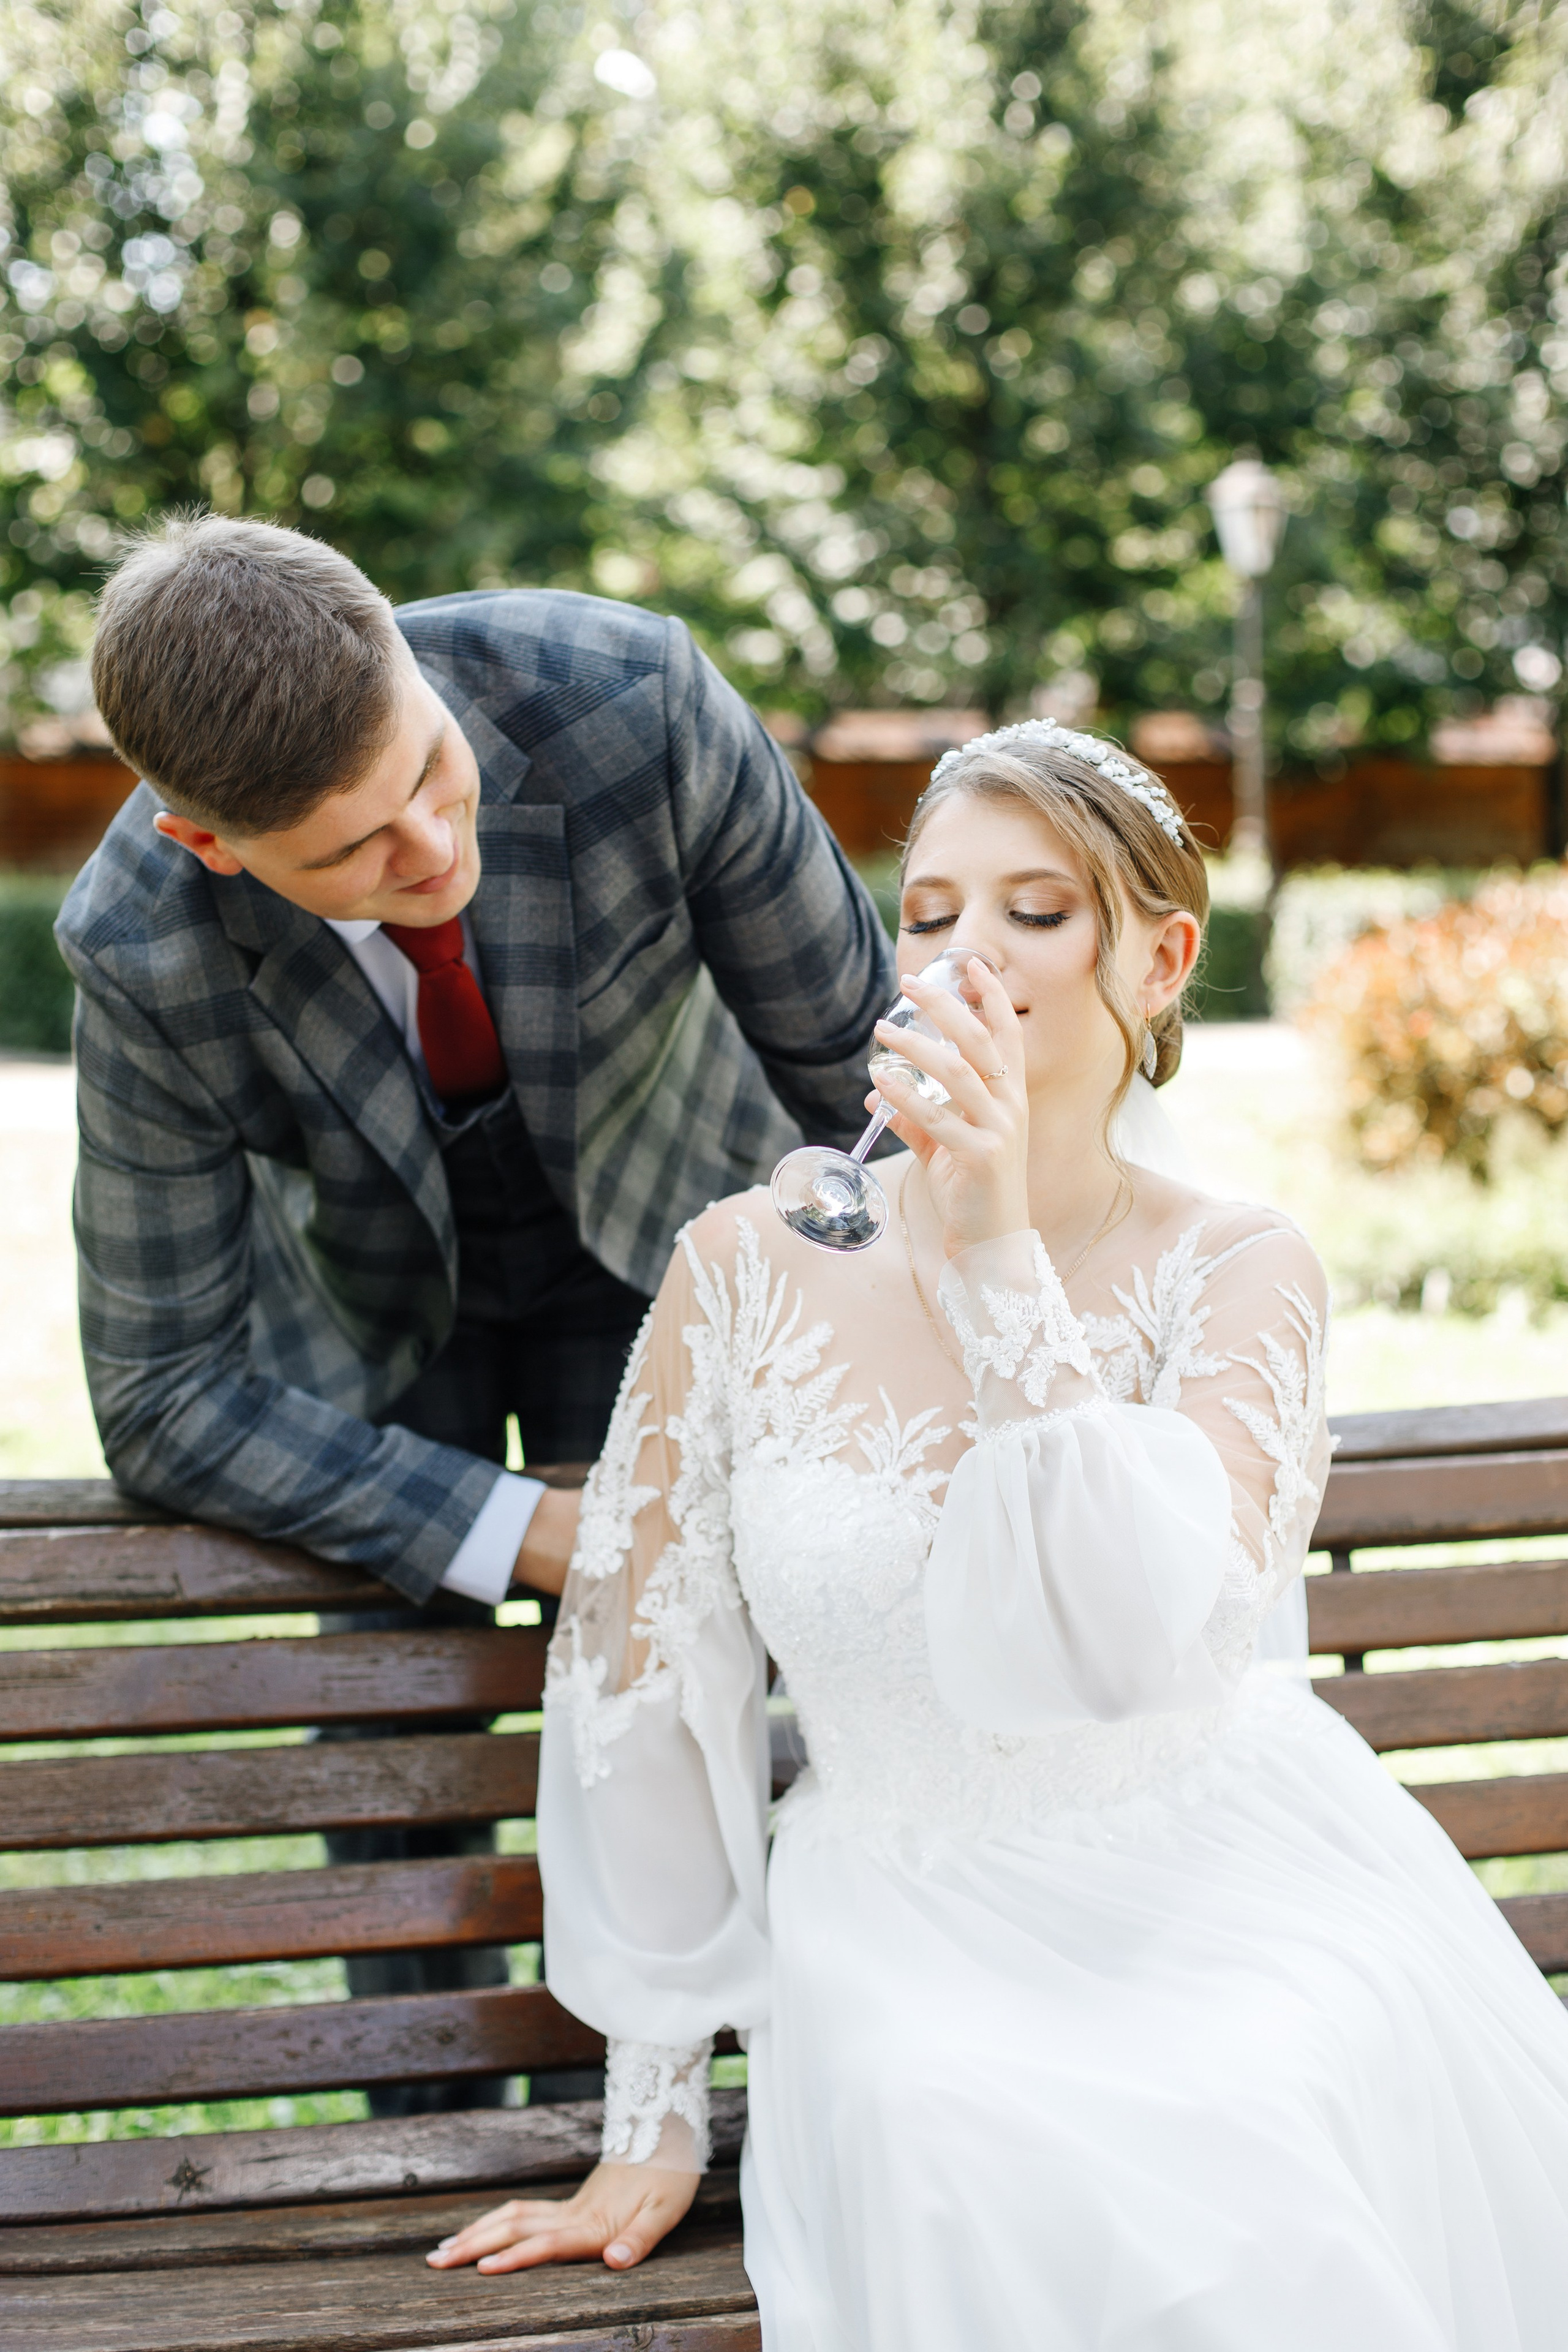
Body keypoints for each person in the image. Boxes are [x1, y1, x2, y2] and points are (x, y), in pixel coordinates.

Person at [429, 722, 1568, 2344]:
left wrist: (996, 1263)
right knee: (969, 2130)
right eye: (935, 909)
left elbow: (1142, 1656)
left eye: (1039, 912)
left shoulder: (1241, 1270)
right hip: (903, 1900)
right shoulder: (748, 1263)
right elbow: (645, 1681)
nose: (969, 956)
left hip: (1230, 1881)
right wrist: (656, 2109)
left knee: (1263, 2131)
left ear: (1161, 963)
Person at [58, 513, 894, 2112]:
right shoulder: (141, 945)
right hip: (385, 1322)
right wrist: (527, 1528)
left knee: (707, 1690)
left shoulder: (635, 698)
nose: (433, 851)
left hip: (671, 1243)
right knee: (398, 1761)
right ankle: (426, 2161)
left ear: (412, 662)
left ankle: (753, 2120)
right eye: (354, 851)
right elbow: (160, 1384)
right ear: (209, 846)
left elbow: (877, 1091)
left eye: (432, 771)